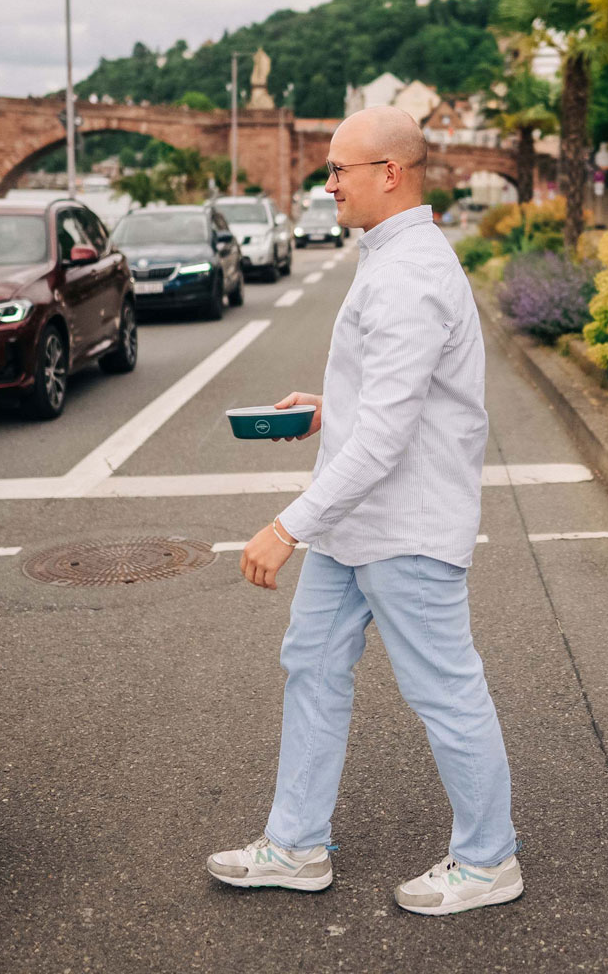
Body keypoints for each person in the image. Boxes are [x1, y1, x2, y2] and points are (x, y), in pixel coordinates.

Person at [207, 107, 521, 916]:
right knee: (311, 664)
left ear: (391, 172)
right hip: (361, 528)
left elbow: (386, 434)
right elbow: (386, 402)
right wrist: (326, 407)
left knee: (446, 691)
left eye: (341, 169)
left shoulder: (410, 272)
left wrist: (286, 527)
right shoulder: (393, 256)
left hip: (403, 529)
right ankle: (297, 844)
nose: (328, 182)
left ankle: (489, 860)